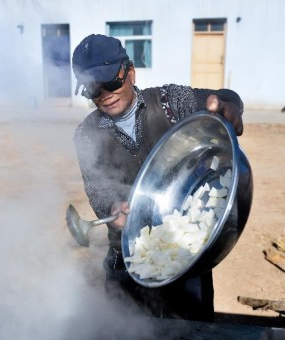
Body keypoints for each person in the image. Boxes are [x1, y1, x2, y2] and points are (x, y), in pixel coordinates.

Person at [72, 34, 244, 322]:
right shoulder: (86, 134)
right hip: (128, 257)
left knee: (190, 337)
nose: (105, 94)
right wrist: (111, 209)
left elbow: (224, 98)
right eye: (93, 89)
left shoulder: (168, 103)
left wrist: (232, 107)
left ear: (130, 74)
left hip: (186, 249)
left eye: (111, 82)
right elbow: (97, 186)